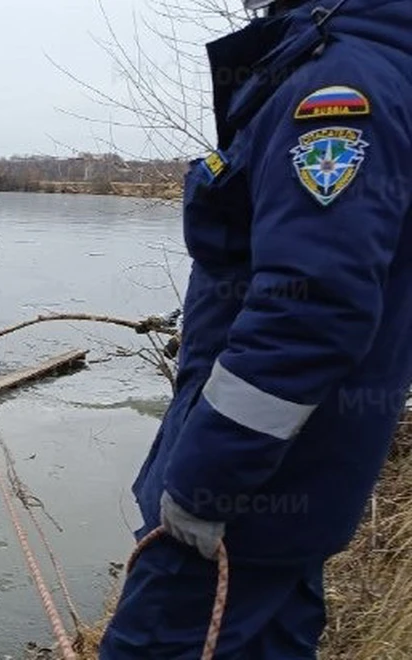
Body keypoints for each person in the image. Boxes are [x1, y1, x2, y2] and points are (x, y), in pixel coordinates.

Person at [100, 0, 411, 657]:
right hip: (282, 503)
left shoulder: (338, 89)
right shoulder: (355, 63)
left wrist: (200, 488)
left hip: (237, 514)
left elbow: (309, 312)